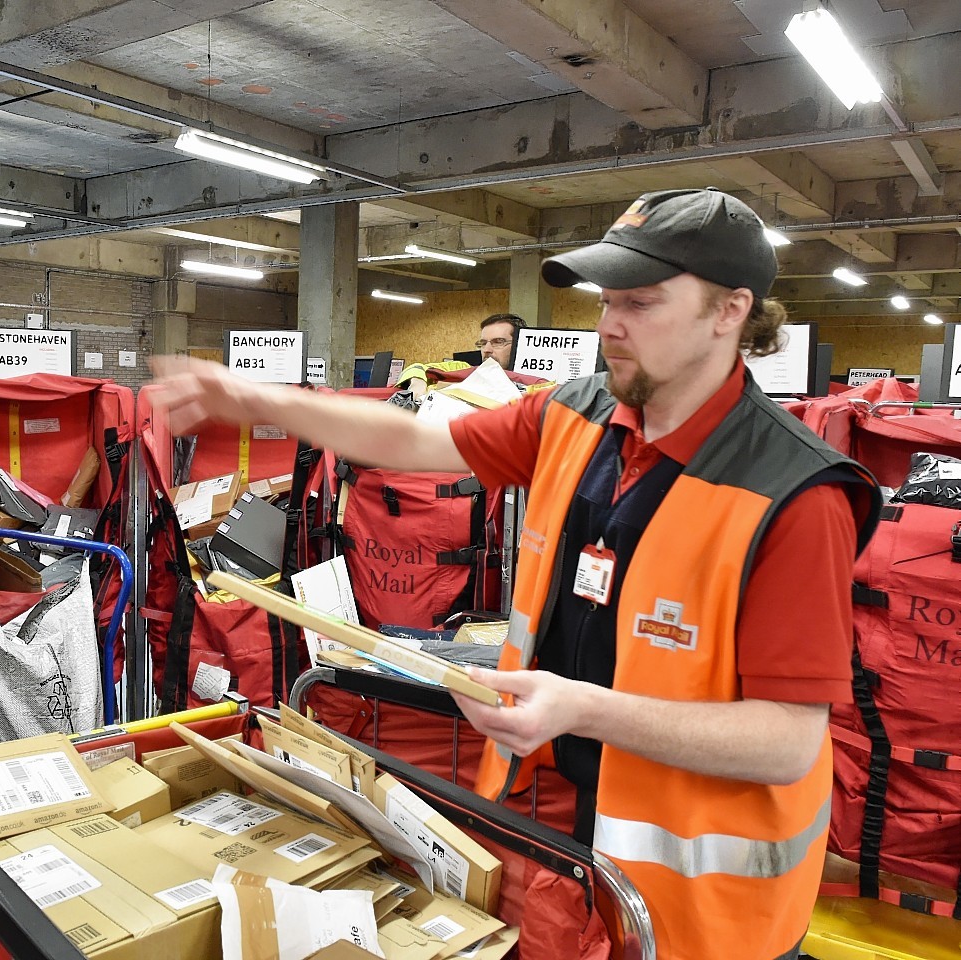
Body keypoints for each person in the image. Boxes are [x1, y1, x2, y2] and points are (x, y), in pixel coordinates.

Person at [150, 187, 880, 960]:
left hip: (709, 913)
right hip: (571, 856)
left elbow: (785, 744)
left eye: (640, 302)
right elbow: (414, 442)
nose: (610, 326)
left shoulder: (795, 496)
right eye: (606, 301)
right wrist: (251, 396)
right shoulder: (577, 414)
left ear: (730, 311)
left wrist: (581, 709)